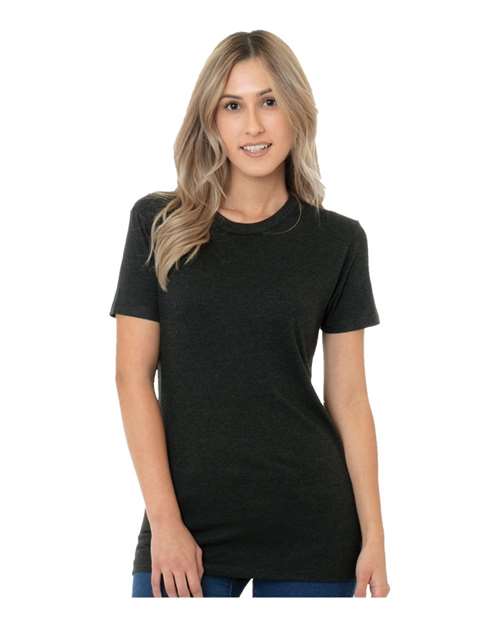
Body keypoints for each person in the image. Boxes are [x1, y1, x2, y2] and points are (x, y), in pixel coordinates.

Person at [109, 29, 390, 599]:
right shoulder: (158, 224)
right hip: (187, 521)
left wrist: (375, 535)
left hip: (313, 520)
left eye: (269, 101)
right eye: (232, 106)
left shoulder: (337, 241)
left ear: (296, 110)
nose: (253, 126)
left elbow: (349, 398)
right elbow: (131, 378)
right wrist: (165, 523)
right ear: (211, 119)